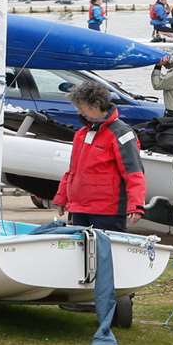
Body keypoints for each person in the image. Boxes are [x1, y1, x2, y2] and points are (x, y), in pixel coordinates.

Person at [54, 80, 146, 232]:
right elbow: (73, 171)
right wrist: (61, 197)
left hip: (107, 211)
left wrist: (136, 205)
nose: (79, 112)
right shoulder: (81, 134)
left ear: (95, 105)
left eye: (81, 107)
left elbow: (133, 172)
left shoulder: (121, 133)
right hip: (79, 208)